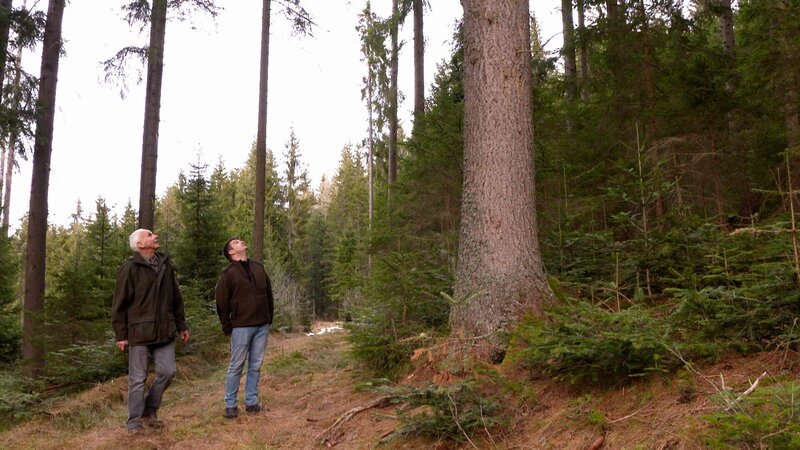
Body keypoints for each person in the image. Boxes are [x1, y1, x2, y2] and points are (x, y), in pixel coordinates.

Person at [112, 229, 190, 434]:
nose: (154, 236)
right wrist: (121, 334)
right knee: (137, 379)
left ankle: (150, 410)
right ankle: (134, 423)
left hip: (165, 330)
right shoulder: (129, 268)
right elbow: (119, 303)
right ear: (140, 245)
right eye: (149, 235)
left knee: (168, 372)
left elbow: (176, 298)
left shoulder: (166, 266)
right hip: (139, 332)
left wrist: (181, 325)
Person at [215, 237, 275, 419]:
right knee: (236, 366)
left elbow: (268, 294)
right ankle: (230, 405)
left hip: (262, 325)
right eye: (235, 242)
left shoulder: (258, 267)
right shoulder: (228, 274)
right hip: (241, 326)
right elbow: (221, 303)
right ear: (231, 252)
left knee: (255, 365)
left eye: (239, 241)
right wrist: (227, 327)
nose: (240, 242)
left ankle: (252, 402)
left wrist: (269, 318)